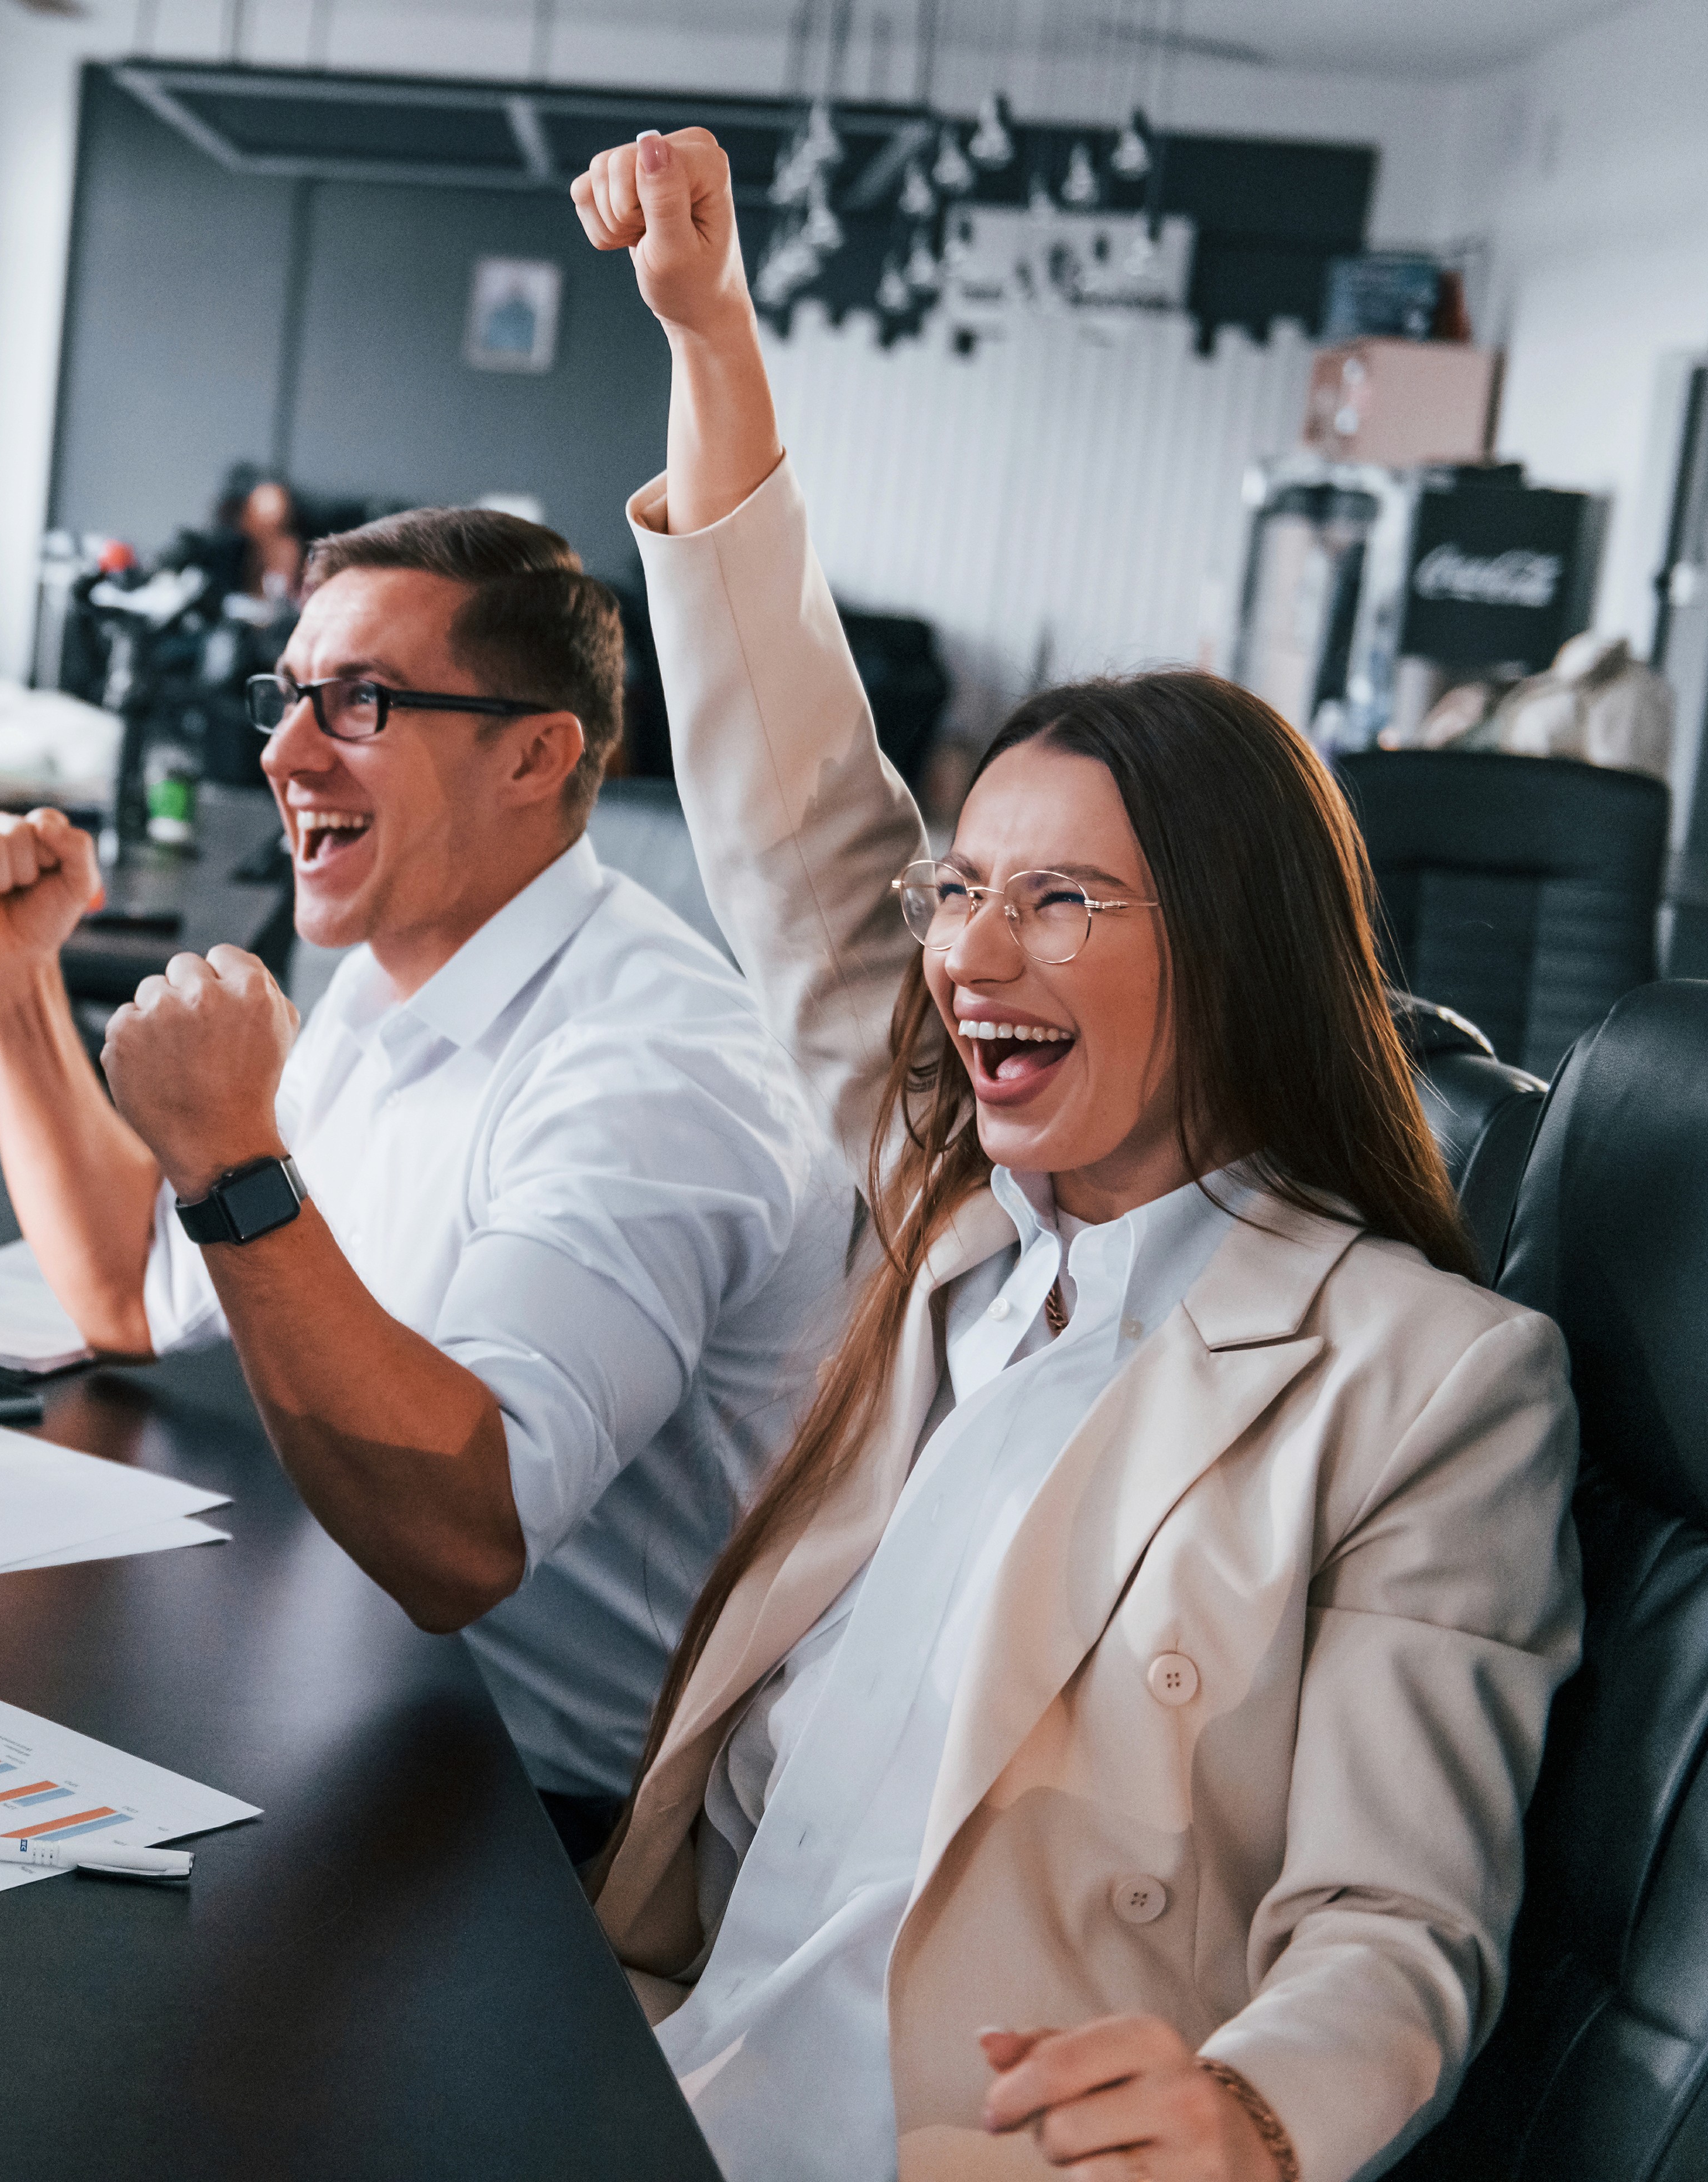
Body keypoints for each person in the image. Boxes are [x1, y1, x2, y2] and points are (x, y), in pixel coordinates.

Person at [572, 125, 1581, 2180]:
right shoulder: (972, 1217)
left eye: (1062, 903)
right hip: (663, 2054)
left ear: (1228, 956)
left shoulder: (1428, 1383)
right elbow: (794, 816)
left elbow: (1405, 1918)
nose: (968, 953)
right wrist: (713, 334)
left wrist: (1253, 2110)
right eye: (966, 888)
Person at [0, 502, 854, 1844]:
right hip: (347, 1682)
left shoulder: (654, 1072)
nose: (284, 752)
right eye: (289, 696)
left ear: (537, 756)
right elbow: (135, 1297)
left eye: (357, 702)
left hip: (538, 1823)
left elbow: (465, 1540)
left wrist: (237, 1156)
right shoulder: (389, 979)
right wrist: (16, 985)